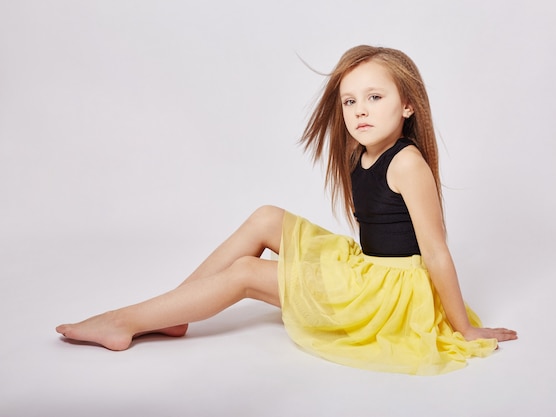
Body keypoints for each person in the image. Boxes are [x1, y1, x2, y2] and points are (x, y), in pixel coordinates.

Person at [56, 45, 517, 375]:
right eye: (350, 101)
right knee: (266, 217)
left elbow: (436, 253)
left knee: (244, 273)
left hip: (386, 295)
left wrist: (466, 329)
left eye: (375, 97)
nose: (360, 110)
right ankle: (176, 310)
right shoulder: (362, 155)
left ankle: (124, 322)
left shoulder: (408, 162)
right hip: (365, 270)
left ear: (409, 105)